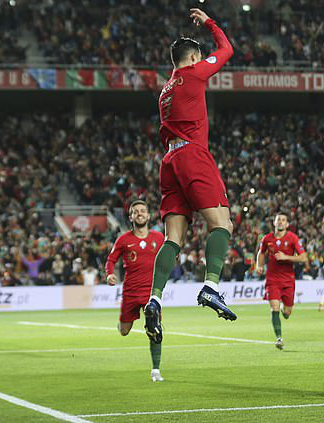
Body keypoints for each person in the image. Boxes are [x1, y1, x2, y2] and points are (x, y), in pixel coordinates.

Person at [144, 8, 236, 344]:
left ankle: (154, 299)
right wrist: (210, 22)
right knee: (222, 223)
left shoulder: (164, 91)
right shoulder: (194, 74)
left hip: (168, 162)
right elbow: (226, 50)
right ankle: (211, 286)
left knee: (173, 239)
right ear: (194, 57)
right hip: (192, 156)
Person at [106, 200, 165, 382]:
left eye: (142, 211)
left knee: (155, 329)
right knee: (124, 331)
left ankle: (156, 370)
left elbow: (170, 256)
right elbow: (111, 260)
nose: (139, 214)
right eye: (135, 212)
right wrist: (109, 274)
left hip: (151, 293)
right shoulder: (123, 240)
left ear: (148, 216)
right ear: (130, 217)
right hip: (130, 292)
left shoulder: (159, 238)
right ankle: (122, 323)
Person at [256, 213, 308, 350]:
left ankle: (285, 313)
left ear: (287, 224)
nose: (280, 222)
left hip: (288, 280)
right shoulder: (267, 239)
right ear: (274, 222)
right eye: (278, 220)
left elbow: (303, 258)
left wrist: (286, 257)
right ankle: (279, 338)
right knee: (274, 307)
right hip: (272, 279)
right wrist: (259, 265)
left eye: (283, 220)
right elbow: (261, 253)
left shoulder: (293, 238)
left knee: (287, 312)